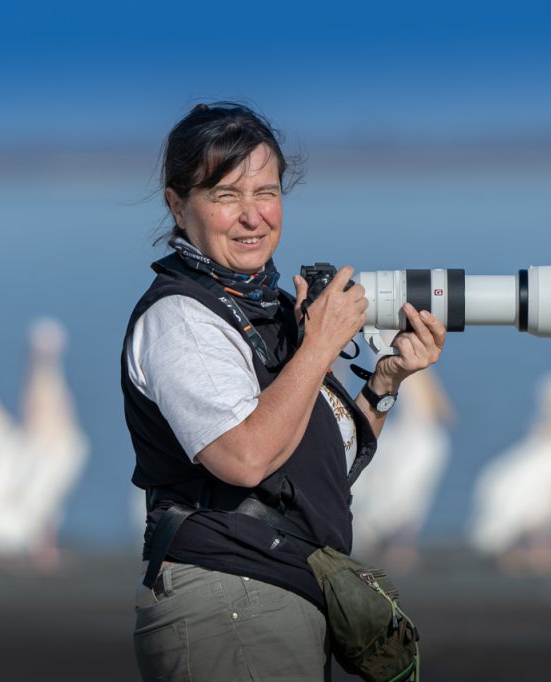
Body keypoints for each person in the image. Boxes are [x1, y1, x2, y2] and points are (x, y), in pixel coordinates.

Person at [122, 102, 446, 681]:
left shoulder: (265, 311)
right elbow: (245, 458)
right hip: (228, 600)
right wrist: (320, 344)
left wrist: (385, 386)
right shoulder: (181, 317)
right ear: (177, 204)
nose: (253, 217)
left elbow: (310, 469)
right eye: (225, 196)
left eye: (266, 193)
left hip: (273, 595)